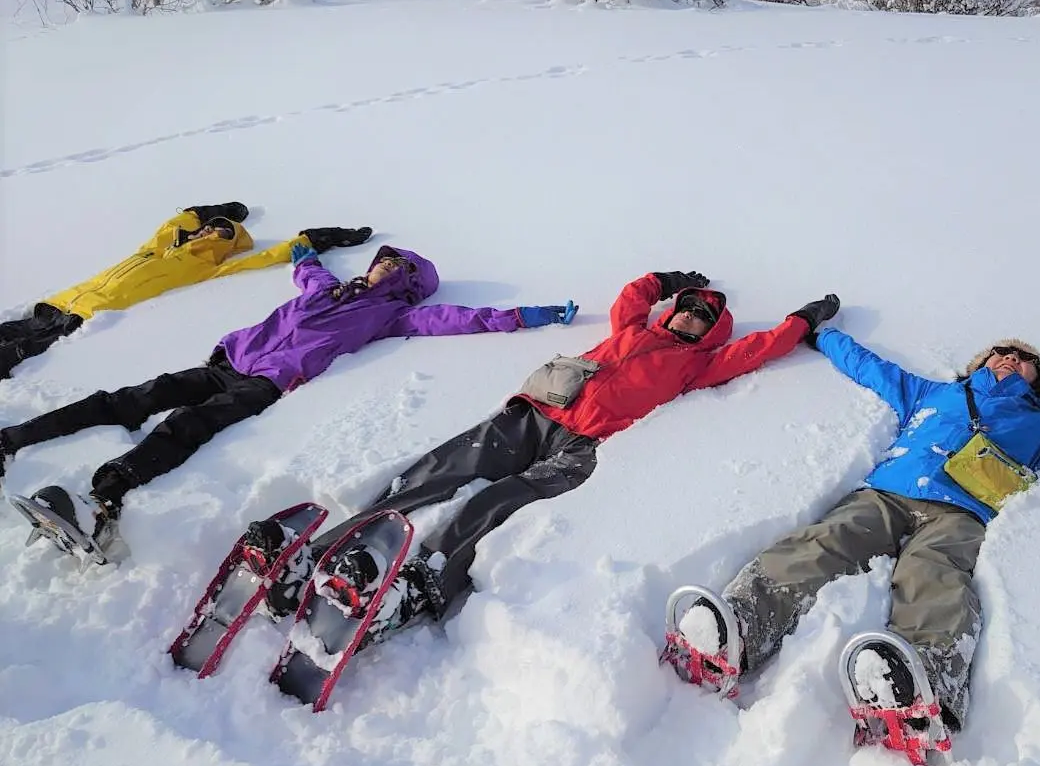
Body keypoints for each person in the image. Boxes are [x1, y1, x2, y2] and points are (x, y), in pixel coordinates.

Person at [668, 331, 1040, 738]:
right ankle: (741, 626)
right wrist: (821, 334)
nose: (1006, 360)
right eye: (998, 353)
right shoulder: (936, 393)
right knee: (824, 542)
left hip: (960, 515)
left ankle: (928, 681)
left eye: (1020, 359)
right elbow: (871, 368)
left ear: (1038, 378)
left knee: (936, 578)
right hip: (887, 493)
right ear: (977, 364)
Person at [274, 270, 840, 644]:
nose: (688, 317)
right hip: (534, 414)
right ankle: (327, 547)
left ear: (710, 333)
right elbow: (631, 297)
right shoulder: (631, 330)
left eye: (700, 317)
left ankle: (423, 584)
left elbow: (759, 349)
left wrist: (803, 321)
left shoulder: (696, 364)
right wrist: (666, 280)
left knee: (496, 503)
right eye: (685, 309)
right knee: (442, 471)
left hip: (578, 448)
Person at [0, 241, 576, 549]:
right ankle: (16, 438)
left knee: (185, 427)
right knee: (125, 400)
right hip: (226, 359)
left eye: (392, 265)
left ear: (404, 279)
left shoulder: (391, 314)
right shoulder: (329, 289)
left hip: (263, 384)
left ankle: (104, 499)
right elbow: (306, 269)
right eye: (380, 261)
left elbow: (457, 318)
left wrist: (526, 316)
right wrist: (306, 248)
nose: (380, 268)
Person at [0, 201, 373, 380]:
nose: (211, 231)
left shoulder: (205, 265)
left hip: (87, 315)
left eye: (222, 232)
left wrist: (317, 238)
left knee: (18, 351)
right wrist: (211, 210)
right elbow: (173, 223)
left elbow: (269, 256)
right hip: (62, 301)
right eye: (211, 226)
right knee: (11, 332)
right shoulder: (159, 247)